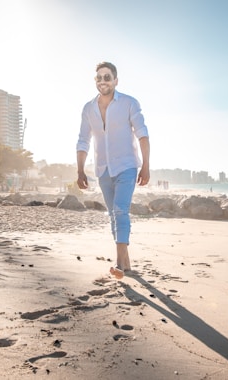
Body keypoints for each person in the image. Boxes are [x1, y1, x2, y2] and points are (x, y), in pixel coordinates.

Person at [76, 61, 150, 279]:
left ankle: (118, 264)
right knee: (112, 215)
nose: (103, 81)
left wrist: (145, 166)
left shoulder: (129, 103)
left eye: (107, 77)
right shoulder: (88, 108)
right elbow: (83, 140)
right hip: (103, 170)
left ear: (115, 81)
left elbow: (143, 134)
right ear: (95, 81)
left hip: (127, 165)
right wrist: (80, 170)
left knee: (120, 210)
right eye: (99, 78)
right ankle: (126, 263)